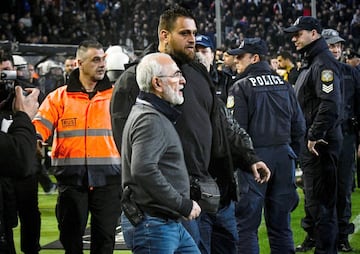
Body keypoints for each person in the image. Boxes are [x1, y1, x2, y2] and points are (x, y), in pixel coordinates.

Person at [111, 7, 271, 254]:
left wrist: (248, 156)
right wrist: (174, 199)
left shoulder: (197, 72)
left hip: (215, 191)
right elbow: (131, 153)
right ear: (164, 35)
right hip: (176, 203)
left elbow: (221, 122)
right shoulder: (135, 78)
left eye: (194, 33)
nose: (192, 39)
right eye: (184, 33)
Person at [32, 40, 122, 254]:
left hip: (108, 182)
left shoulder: (116, 96)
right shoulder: (58, 98)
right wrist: (34, 139)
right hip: (72, 183)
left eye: (103, 60)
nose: (102, 64)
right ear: (79, 63)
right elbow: (39, 126)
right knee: (70, 241)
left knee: (105, 242)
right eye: (96, 60)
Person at [227, 37, 306, 254]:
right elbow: (299, 127)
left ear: (255, 58)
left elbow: (236, 132)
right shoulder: (285, 85)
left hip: (253, 163)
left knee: (246, 227)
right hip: (284, 158)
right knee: (281, 226)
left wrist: (242, 161)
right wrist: (291, 155)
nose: (236, 61)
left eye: (240, 56)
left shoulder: (241, 86)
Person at [121, 52, 201, 253]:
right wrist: (182, 204)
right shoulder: (150, 119)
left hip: (164, 222)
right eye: (175, 75)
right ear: (157, 83)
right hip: (154, 224)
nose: (182, 81)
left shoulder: (152, 114)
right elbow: (144, 170)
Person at [283, 16, 343, 254]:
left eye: (299, 33)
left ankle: (326, 250)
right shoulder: (314, 61)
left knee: (321, 206)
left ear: (314, 34)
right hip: (315, 144)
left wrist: (314, 134)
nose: (294, 38)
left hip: (320, 145)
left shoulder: (323, 63)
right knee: (318, 204)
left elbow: (330, 104)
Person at [318, 28, 360, 252]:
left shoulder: (350, 72)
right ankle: (319, 236)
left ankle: (342, 235)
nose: (335, 49)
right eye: (331, 45)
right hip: (320, 139)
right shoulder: (315, 70)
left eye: (338, 45)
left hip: (345, 136)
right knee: (319, 191)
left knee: (343, 189)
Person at [1, 51, 40, 254]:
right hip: (10, 166)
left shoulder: (21, 92)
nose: (6, 78)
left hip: (24, 170)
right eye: (2, 73)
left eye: (8, 71)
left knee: (30, 214)